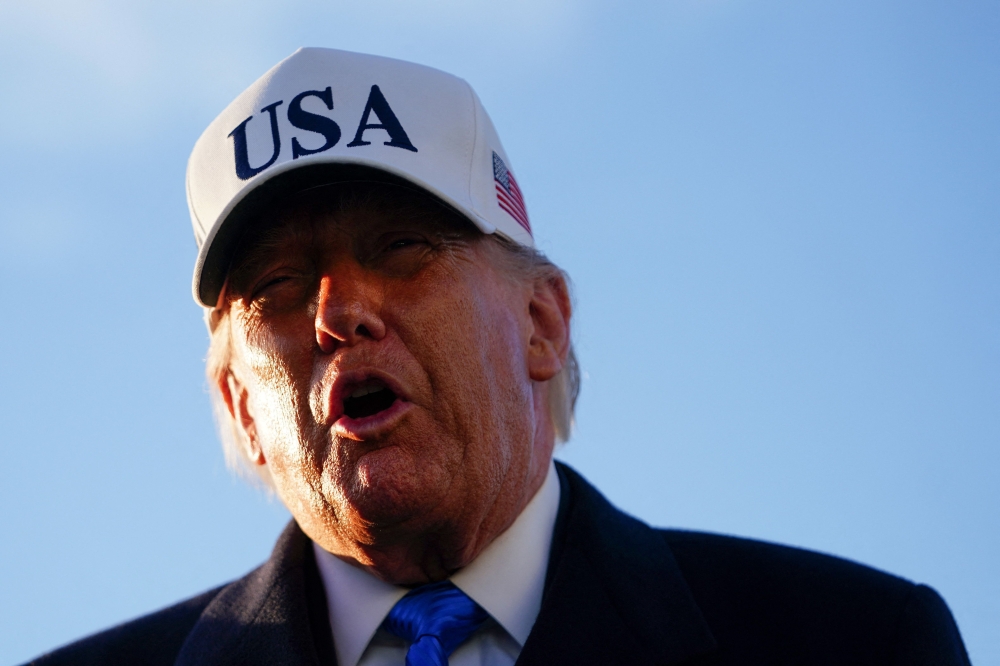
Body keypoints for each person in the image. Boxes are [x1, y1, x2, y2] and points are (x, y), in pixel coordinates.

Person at [26, 47, 970, 666]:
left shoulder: (858, 642)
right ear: (239, 406)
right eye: (277, 284)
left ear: (543, 324)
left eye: (401, 248)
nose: (339, 312)